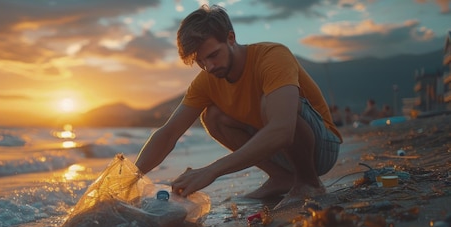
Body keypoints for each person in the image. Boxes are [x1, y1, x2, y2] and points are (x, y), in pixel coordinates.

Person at [134, 5, 342, 209]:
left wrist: (211, 170)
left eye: (213, 55)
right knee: (212, 117)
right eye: (200, 61)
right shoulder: (206, 81)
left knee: (269, 103)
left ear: (231, 38)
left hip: (321, 147)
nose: (209, 67)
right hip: (280, 149)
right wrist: (128, 179)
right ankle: (282, 177)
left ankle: (308, 183)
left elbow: (283, 129)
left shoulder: (272, 57)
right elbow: (168, 134)